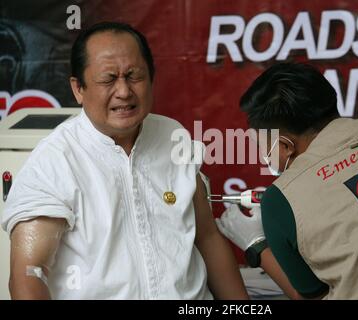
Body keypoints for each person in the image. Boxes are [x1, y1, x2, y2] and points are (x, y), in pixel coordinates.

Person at [2, 22, 248, 300]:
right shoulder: (55, 161)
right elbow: (28, 275)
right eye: (108, 79)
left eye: (134, 76)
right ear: (78, 88)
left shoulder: (173, 135)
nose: (124, 91)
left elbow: (208, 239)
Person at [216, 62, 358, 299]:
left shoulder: (281, 199)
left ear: (285, 146)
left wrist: (257, 245)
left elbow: (312, 297)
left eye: (263, 146)